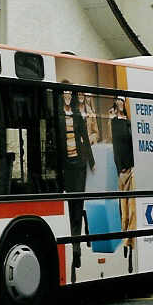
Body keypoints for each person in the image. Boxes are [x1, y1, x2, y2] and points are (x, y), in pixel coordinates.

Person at [57, 82, 94, 281]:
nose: (68, 97)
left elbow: (84, 137)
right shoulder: (57, 115)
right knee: (71, 207)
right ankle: (73, 242)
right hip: (67, 166)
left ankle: (77, 247)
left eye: (69, 94)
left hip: (79, 164)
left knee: (78, 205)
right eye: (64, 94)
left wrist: (91, 161)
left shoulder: (77, 114)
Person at [110, 96, 136, 273]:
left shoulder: (129, 122)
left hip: (132, 169)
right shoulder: (113, 122)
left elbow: (133, 145)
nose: (120, 103)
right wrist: (119, 169)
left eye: (122, 100)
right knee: (124, 211)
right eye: (118, 100)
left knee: (132, 209)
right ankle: (126, 245)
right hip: (121, 171)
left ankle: (130, 244)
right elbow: (115, 148)